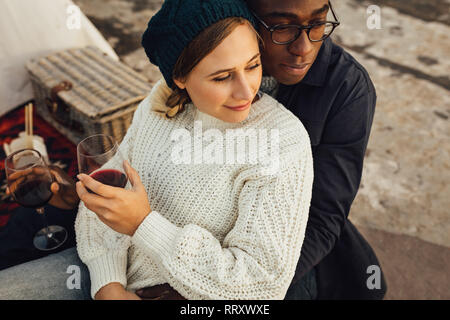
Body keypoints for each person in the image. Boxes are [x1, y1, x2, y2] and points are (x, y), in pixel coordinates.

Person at [0, 0, 314, 300]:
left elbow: (262, 282)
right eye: (222, 77)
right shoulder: (158, 102)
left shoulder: (283, 142)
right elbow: (106, 193)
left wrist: (144, 224)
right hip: (99, 273)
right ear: (179, 78)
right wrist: (107, 282)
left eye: (253, 65)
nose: (247, 89)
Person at [242, 0, 387, 299]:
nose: (304, 48)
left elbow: (322, 219)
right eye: (283, 27)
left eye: (318, 24)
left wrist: (245, 289)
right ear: (245, 16)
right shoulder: (209, 65)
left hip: (287, 260)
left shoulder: (347, 88)